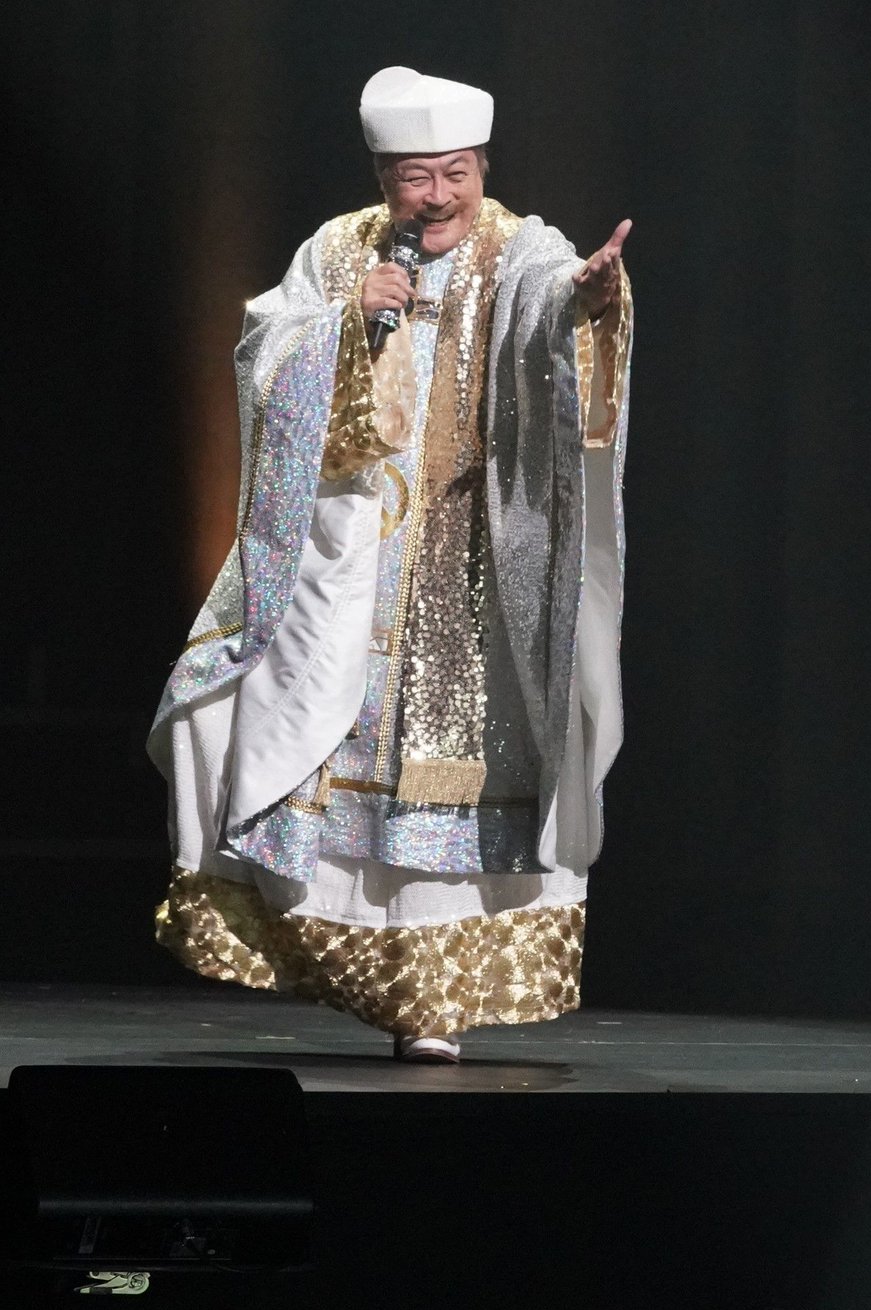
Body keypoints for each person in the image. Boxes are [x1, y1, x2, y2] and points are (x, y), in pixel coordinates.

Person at [150, 67, 635, 1063]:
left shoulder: (520, 248)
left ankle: (439, 1001)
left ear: (481, 167)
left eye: (455, 173)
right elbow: (264, 349)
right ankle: (337, 954)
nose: (438, 196)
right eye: (416, 178)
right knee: (291, 732)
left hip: (472, 566)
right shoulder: (336, 250)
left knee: (456, 776)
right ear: (384, 177)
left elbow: (549, 304)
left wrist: (588, 302)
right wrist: (340, 326)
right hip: (347, 563)